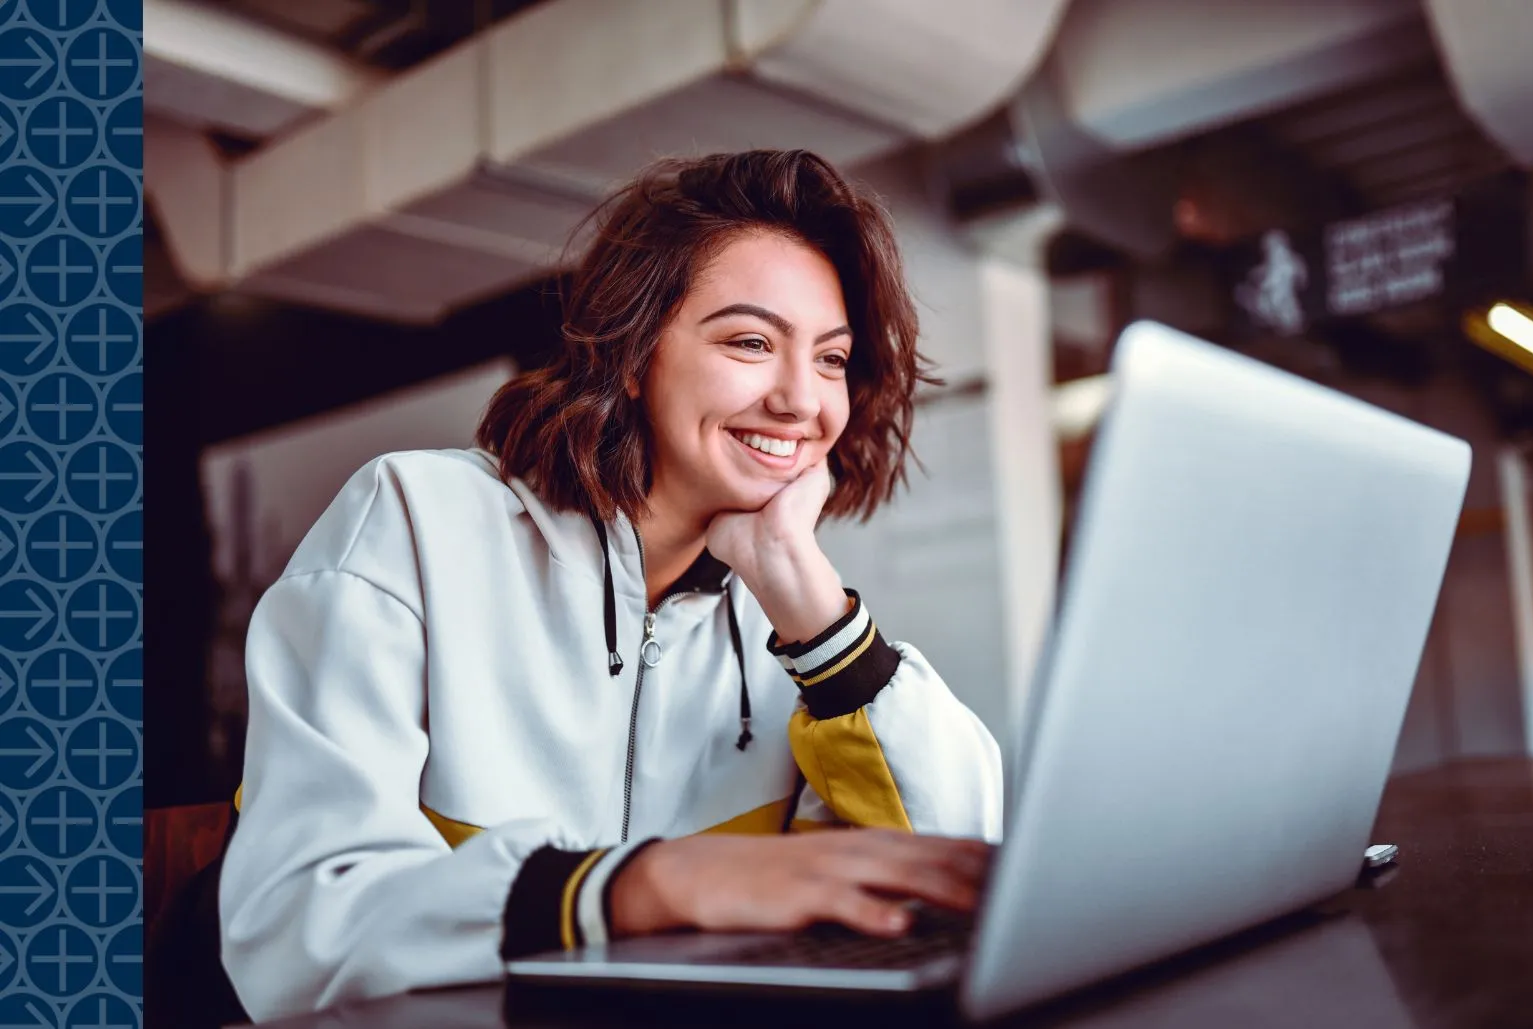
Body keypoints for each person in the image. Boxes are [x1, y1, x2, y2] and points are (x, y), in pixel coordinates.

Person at [218, 150, 1004, 1021]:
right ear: (634, 354)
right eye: (751, 341)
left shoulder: (791, 614)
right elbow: (296, 928)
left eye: (831, 359)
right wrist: (643, 885)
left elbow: (953, 868)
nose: (801, 400)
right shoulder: (412, 519)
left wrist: (807, 598)